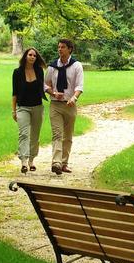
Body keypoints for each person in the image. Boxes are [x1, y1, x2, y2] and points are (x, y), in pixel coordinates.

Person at [44, 38, 83, 175]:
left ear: (69, 49)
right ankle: (56, 163)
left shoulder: (76, 66)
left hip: (69, 105)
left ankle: (64, 163)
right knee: (57, 134)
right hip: (55, 105)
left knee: (68, 136)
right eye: (59, 47)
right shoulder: (52, 67)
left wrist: (74, 97)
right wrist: (53, 92)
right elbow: (45, 84)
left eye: (63, 47)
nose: (60, 49)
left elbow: (79, 86)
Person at [12, 47, 47, 174]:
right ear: (25, 56)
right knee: (24, 134)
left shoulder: (39, 71)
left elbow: (43, 87)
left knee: (35, 135)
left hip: (37, 106)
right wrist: (13, 110)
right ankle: (24, 162)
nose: (32, 57)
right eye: (30, 55)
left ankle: (32, 160)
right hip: (23, 108)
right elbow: (14, 93)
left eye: (34, 56)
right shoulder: (17, 72)